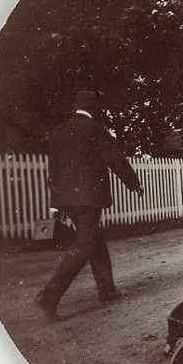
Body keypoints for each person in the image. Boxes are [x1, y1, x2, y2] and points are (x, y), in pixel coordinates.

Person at [35, 90, 143, 321]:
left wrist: (55, 203)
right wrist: (134, 184)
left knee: (94, 238)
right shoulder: (96, 130)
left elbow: (53, 171)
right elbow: (116, 160)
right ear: (94, 109)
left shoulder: (58, 132)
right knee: (85, 244)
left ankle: (107, 289)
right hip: (88, 199)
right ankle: (49, 297)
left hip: (67, 199)